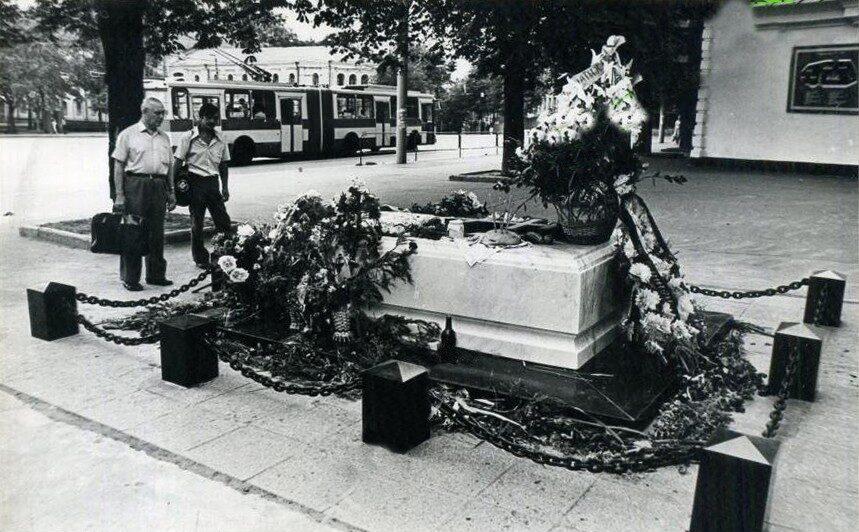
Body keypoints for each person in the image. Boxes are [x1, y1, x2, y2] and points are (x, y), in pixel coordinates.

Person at [112, 97, 176, 291]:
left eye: (163, 113)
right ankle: (130, 278)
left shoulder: (164, 137)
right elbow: (118, 166)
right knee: (133, 232)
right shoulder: (128, 134)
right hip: (135, 184)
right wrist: (120, 195)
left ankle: (156, 275)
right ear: (145, 112)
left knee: (157, 233)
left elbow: (169, 166)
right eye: (157, 113)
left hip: (158, 185)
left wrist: (171, 191)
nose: (161, 117)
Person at [174, 102, 232, 269]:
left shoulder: (221, 138)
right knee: (197, 223)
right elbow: (177, 163)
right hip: (195, 182)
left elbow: (223, 165)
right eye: (209, 118)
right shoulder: (188, 138)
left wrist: (225, 187)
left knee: (223, 221)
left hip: (213, 183)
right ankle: (200, 258)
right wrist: (171, 187)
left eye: (215, 118)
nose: (213, 122)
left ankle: (224, 255)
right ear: (200, 118)